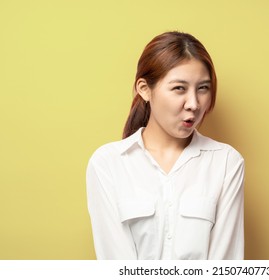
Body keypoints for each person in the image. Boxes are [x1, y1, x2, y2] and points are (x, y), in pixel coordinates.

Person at [86, 31, 245, 260]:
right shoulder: (108, 164)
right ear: (144, 89)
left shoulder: (226, 163)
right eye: (179, 88)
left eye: (203, 88)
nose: (193, 104)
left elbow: (226, 264)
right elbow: (117, 265)